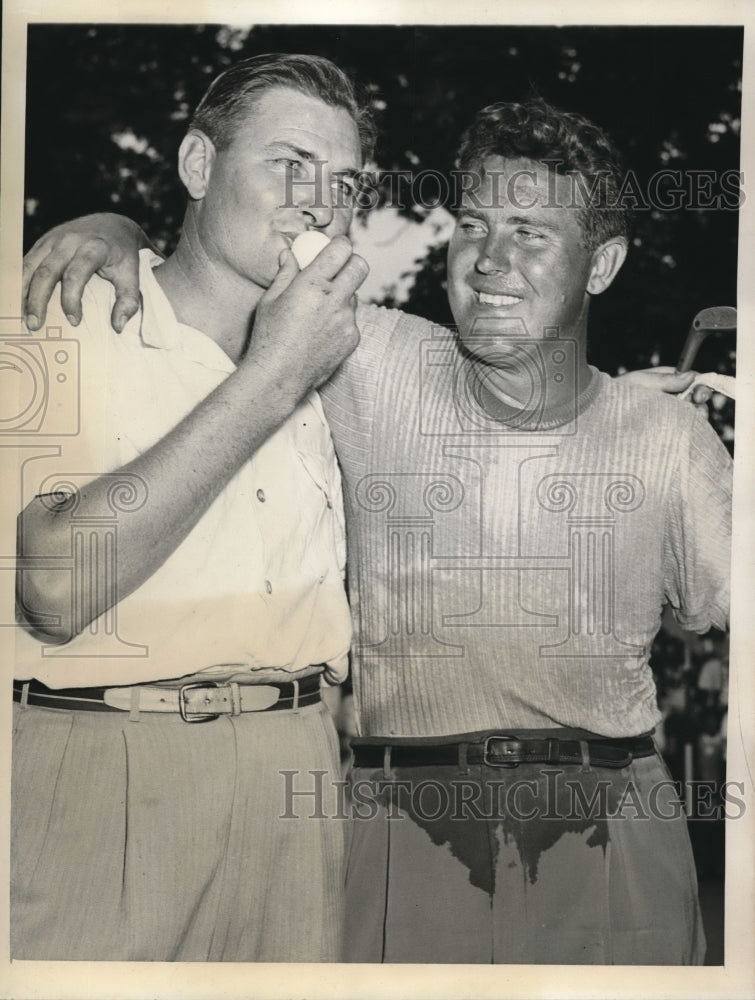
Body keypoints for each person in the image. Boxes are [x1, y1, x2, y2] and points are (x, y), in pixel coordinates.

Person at [21, 92, 731, 964]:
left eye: (531, 233)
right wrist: (116, 227)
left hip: (611, 818)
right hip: (399, 826)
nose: (490, 261)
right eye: (472, 226)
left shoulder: (666, 433)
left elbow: (714, 605)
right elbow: (225, 263)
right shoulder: (367, 353)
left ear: (602, 264)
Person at [13, 53, 372, 961]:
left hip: (299, 773)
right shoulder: (60, 317)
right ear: (200, 167)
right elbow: (54, 586)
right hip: (110, 766)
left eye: (344, 182)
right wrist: (273, 375)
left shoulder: (342, 351)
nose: (318, 202)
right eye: (288, 163)